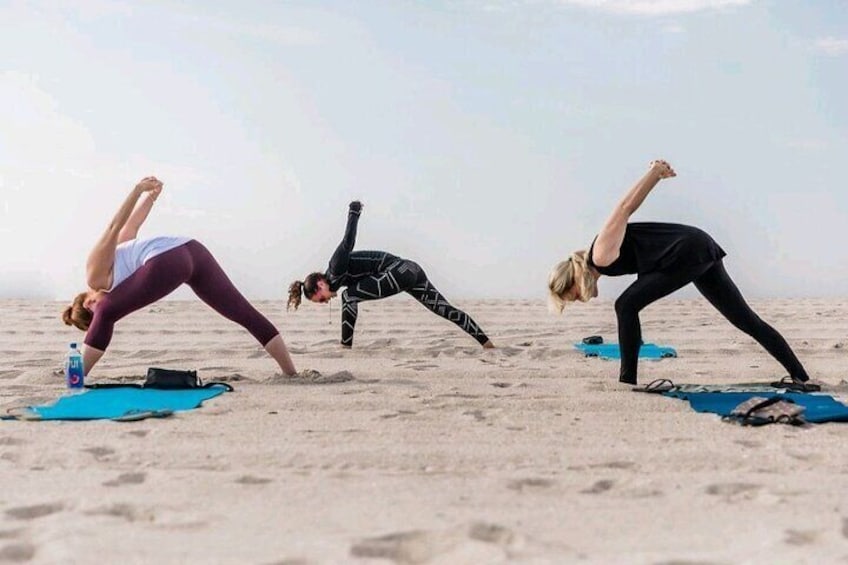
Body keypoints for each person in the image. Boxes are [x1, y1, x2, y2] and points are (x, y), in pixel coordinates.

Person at [547, 160, 815, 390]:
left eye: (572, 296)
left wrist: (654, 173)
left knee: (625, 305)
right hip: (693, 248)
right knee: (745, 320)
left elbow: (624, 207)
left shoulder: (601, 254)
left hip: (687, 252)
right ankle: (801, 377)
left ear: (574, 279)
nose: (579, 301)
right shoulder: (602, 259)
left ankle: (627, 381)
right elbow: (646, 272)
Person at [62, 176, 298, 377]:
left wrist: (137, 190)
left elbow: (114, 226)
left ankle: (77, 375)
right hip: (194, 252)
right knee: (245, 313)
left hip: (170, 259)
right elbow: (132, 225)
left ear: (87, 301)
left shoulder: (94, 274)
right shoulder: (121, 263)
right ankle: (292, 374)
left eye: (92, 316)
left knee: (108, 311)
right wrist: (152, 197)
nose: (97, 308)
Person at [288, 201, 495, 349]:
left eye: (320, 299)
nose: (324, 302)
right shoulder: (338, 278)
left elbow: (347, 243)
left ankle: (345, 347)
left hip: (398, 271)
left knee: (348, 296)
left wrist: (354, 212)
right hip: (411, 270)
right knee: (445, 310)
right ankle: (488, 344)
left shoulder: (334, 268)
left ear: (320, 285)